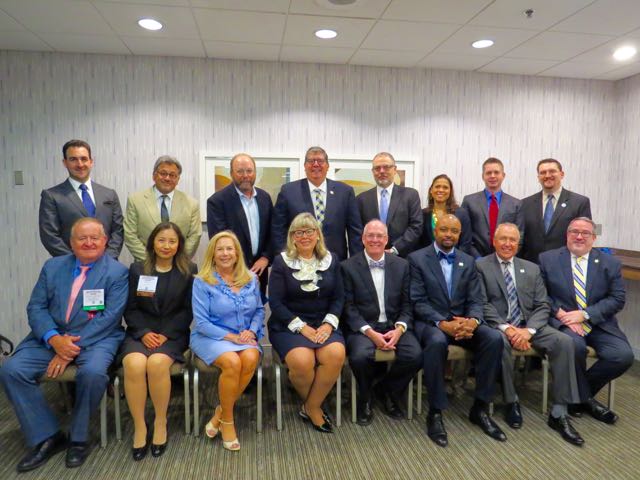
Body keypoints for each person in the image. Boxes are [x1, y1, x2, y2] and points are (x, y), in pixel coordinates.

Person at [0, 218, 128, 472]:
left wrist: (68, 350)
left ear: (104, 241)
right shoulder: (53, 266)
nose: (89, 243)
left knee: (93, 373)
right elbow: (36, 307)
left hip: (97, 338)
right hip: (51, 337)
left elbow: (110, 317)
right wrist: (54, 339)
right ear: (71, 242)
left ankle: (79, 438)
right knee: (11, 369)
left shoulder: (117, 272)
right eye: (82, 238)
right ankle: (47, 436)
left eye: (95, 238)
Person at [476, 223, 584, 445]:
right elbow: (482, 304)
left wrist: (529, 331)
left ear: (518, 244)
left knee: (564, 341)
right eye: (503, 239)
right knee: (500, 343)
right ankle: (511, 401)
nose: (508, 244)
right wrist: (508, 329)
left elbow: (543, 304)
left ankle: (560, 411)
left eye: (512, 240)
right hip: (499, 326)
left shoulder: (531, 268)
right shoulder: (480, 266)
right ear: (494, 241)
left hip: (530, 326)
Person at [409, 214, 504, 447]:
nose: (448, 235)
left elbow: (476, 299)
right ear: (435, 231)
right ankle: (436, 411)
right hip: (432, 323)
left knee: (493, 338)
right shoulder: (417, 259)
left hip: (462, 322)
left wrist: (473, 321)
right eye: (444, 229)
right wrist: (443, 323)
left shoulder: (468, 261)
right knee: (436, 343)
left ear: (460, 234)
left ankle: (480, 408)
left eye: (454, 231)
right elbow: (417, 301)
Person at [539, 217, 633, 424]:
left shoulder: (610, 263)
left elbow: (617, 298)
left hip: (599, 323)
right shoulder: (548, 259)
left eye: (585, 233)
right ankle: (586, 400)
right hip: (565, 323)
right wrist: (561, 315)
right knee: (574, 346)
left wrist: (585, 314)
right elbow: (541, 295)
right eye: (574, 231)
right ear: (567, 234)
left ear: (594, 238)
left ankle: (578, 398)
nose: (579, 237)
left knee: (623, 356)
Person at [119, 222, 197, 460]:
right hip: (140, 332)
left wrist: (167, 333)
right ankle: (140, 426)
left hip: (172, 334)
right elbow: (130, 307)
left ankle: (160, 422)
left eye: (172, 241)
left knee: (156, 364)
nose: (166, 245)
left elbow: (188, 309)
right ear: (152, 242)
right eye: (161, 240)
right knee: (133, 364)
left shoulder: (188, 270)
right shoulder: (137, 269)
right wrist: (143, 332)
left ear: (179, 245)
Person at [268, 213, 345, 433]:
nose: (304, 236)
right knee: (302, 361)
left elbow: (339, 297)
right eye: (299, 232)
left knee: (335, 354)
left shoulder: (331, 260)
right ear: (292, 237)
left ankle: (310, 406)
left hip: (323, 322)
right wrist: (301, 327)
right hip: (289, 324)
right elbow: (275, 302)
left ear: (318, 235)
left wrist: (328, 325)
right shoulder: (281, 262)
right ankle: (315, 407)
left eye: (309, 231)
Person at [341, 220, 422, 426]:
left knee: (415, 355)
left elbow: (408, 303)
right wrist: (370, 333)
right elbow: (348, 307)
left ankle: (387, 390)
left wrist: (399, 329)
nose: (375, 240)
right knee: (359, 356)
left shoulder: (402, 265)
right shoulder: (347, 267)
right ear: (363, 239)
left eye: (380, 236)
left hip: (394, 325)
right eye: (370, 235)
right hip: (364, 328)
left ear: (387, 240)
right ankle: (365, 397)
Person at [190, 231, 264, 451]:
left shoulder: (251, 279)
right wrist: (232, 337)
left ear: (237, 253)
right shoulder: (202, 281)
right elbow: (201, 323)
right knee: (232, 362)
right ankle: (229, 422)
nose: (225, 253)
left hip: (244, 336)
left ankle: (220, 414)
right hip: (211, 336)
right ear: (212, 254)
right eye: (220, 249)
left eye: (229, 248)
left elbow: (259, 310)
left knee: (251, 356)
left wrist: (251, 331)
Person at [271, 146, 363, 260]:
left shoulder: (345, 192)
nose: (315, 164)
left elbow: (355, 232)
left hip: (335, 261)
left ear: (327, 166)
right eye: (311, 161)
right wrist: (284, 258)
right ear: (305, 166)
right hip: (298, 261)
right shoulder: (288, 191)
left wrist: (356, 263)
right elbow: (278, 229)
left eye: (320, 161)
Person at [39, 139, 123, 258]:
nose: (80, 164)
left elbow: (118, 231)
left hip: (107, 264)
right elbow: (50, 236)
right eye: (73, 159)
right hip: (70, 265)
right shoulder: (52, 196)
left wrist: (107, 259)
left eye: (84, 159)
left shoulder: (109, 194)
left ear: (91, 162)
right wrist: (77, 262)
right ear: (65, 163)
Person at [206, 153, 273, 298]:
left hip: (259, 271)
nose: (245, 175)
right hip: (231, 272)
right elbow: (219, 240)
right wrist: (240, 267)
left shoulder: (265, 198)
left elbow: (271, 232)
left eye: (249, 171)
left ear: (255, 172)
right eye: (240, 171)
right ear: (231, 173)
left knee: (257, 308)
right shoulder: (217, 201)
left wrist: (266, 257)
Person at [124, 155, 201, 262]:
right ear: (154, 176)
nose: (167, 178)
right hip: (145, 264)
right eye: (163, 173)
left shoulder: (192, 204)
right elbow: (130, 234)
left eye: (172, 175)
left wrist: (178, 260)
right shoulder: (135, 200)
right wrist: (150, 260)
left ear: (178, 179)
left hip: (179, 265)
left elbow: (194, 235)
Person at [521, 158, 591, 263]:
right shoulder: (525, 204)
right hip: (532, 265)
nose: (547, 175)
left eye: (552, 171)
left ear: (562, 174)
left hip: (565, 264)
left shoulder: (579, 202)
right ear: (538, 177)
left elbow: (584, 237)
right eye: (543, 172)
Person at [356, 152, 423, 257]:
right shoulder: (361, 199)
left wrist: (395, 249)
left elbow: (416, 227)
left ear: (395, 169)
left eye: (386, 167)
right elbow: (358, 231)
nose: (382, 171)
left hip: (402, 258)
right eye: (377, 168)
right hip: (370, 257)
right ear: (373, 172)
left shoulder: (410, 195)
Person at [461, 157, 524, 258]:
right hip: (476, 259)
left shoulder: (516, 204)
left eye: (496, 172)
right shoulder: (469, 201)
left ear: (503, 175)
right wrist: (477, 259)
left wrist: (505, 257)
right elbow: (465, 235)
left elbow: (519, 236)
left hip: (505, 258)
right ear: (483, 176)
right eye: (488, 173)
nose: (492, 176)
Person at [419, 174, 472, 254]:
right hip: (427, 259)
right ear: (431, 190)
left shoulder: (461, 214)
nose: (441, 190)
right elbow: (419, 242)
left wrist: (455, 258)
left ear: (450, 191)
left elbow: (466, 243)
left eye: (445, 187)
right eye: (437, 187)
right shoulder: (423, 214)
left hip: (454, 259)